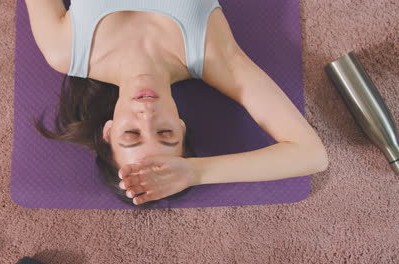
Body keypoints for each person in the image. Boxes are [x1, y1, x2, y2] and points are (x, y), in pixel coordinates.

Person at [26, 0, 329, 207]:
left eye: (131, 134)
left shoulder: (65, 50)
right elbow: (312, 154)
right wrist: (195, 172)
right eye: (165, 134)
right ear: (181, 126)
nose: (147, 116)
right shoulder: (211, 55)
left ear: (108, 130)